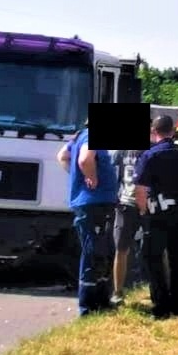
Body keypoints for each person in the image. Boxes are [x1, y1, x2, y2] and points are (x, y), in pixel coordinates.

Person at [133, 115, 178, 319]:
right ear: (173, 132)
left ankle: (161, 307)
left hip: (157, 214)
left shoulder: (150, 155)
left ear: (154, 132)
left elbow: (140, 189)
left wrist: (142, 210)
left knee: (153, 258)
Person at [57, 119, 119, 316]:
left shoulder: (79, 137)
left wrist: (77, 175)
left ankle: (101, 299)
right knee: (94, 252)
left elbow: (62, 156)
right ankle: (88, 306)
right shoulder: (92, 137)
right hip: (95, 203)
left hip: (93, 202)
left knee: (104, 250)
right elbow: (84, 160)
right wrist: (91, 177)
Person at [109, 144, 147, 305]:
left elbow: (113, 177)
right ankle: (159, 288)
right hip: (147, 205)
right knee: (157, 249)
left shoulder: (121, 151)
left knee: (121, 250)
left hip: (126, 204)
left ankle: (118, 293)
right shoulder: (152, 149)